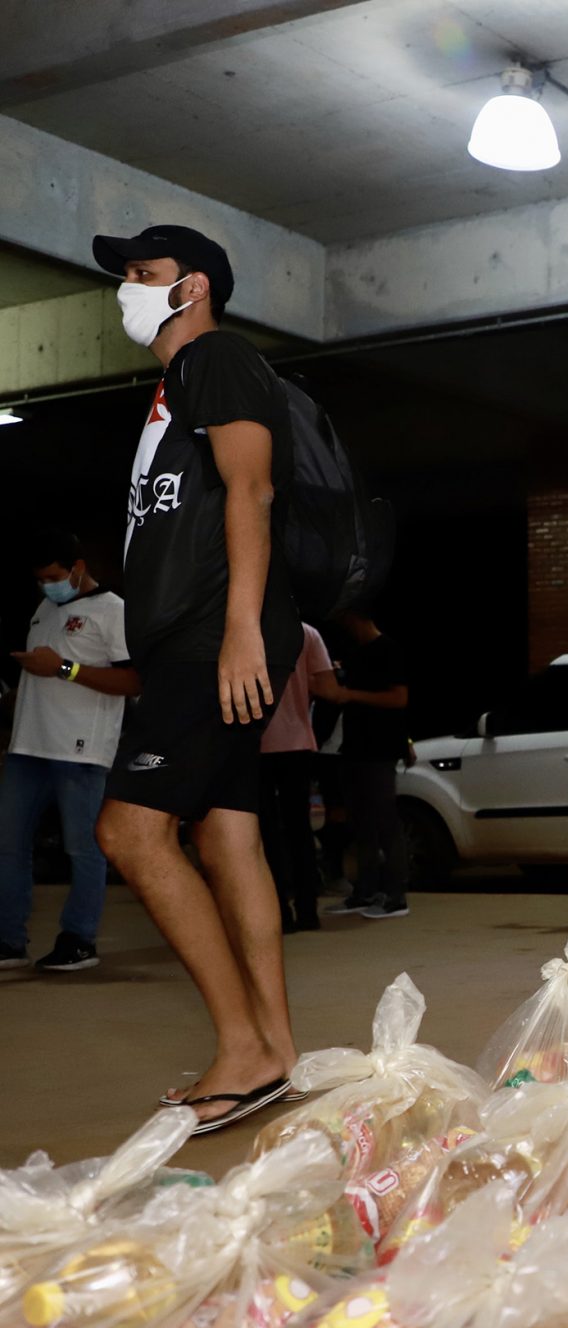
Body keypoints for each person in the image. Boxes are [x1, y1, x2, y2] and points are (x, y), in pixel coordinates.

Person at [89, 222, 305, 1131]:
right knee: (226, 835)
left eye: (146, 274)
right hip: (200, 634)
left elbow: (250, 490)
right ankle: (276, 1050)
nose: (128, 289)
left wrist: (240, 632)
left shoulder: (215, 359)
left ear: (196, 287)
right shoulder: (176, 383)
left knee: (130, 833)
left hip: (211, 637)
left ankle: (243, 1046)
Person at [1, 533, 140, 973]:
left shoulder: (113, 610)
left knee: (83, 848)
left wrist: (63, 668)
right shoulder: (45, 608)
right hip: (27, 746)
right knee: (8, 845)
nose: (47, 586)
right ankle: (9, 941)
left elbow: (134, 681)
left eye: (54, 577)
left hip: (80, 750)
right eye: (40, 580)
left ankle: (79, 939)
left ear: (78, 566)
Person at [324, 607, 411, 920]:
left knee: (385, 820)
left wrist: (350, 695)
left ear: (355, 615)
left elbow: (399, 698)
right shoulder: (354, 651)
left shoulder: (388, 649)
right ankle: (366, 890)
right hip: (353, 748)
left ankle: (396, 896)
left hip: (379, 749)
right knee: (361, 822)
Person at [257, 620, 339, 932]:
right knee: (299, 830)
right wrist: (302, 685)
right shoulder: (305, 632)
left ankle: (279, 910)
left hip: (256, 743)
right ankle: (308, 910)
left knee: (266, 834)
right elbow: (328, 688)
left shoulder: (241, 626)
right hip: (297, 741)